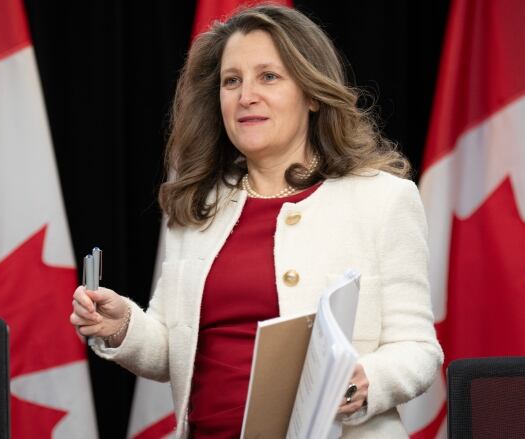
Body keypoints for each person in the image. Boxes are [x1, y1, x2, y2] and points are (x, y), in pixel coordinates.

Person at [70, 4, 443, 438]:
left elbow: (418, 351)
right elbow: (173, 348)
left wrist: (362, 381)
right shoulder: (196, 204)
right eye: (233, 81)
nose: (246, 95)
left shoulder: (382, 199)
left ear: (312, 93)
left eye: (269, 76)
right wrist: (122, 328)